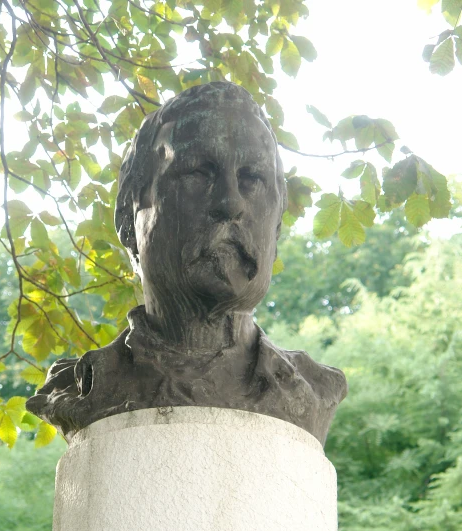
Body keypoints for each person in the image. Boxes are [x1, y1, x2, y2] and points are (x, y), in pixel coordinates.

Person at [27, 82, 347, 445]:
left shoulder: (314, 390)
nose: (230, 203)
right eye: (197, 172)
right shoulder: (85, 389)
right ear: (129, 220)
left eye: (251, 178)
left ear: (276, 226)